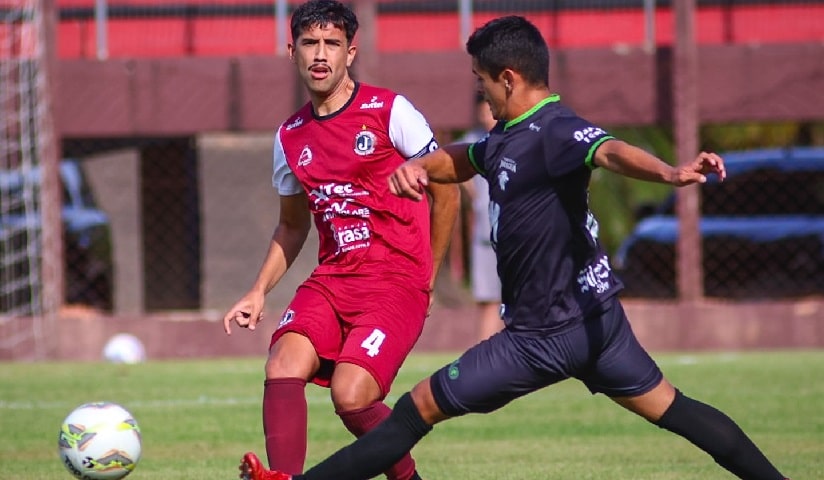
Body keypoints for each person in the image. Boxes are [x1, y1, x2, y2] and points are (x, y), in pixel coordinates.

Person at [237, 15, 789, 480]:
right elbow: (465, 158)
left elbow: (609, 150)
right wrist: (421, 166)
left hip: (539, 338)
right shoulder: (506, 135)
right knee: (676, 410)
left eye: (481, 82)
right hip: (600, 325)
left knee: (413, 410)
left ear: (508, 78)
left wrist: (670, 172)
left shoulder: (555, 131)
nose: (480, 93)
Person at [222, 1, 459, 480]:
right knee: (282, 363)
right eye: (309, 43)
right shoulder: (290, 137)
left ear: (350, 52)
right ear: (292, 51)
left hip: (396, 281)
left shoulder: (390, 111)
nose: (320, 54)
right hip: (333, 280)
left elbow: (448, 190)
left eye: (332, 44)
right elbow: (292, 226)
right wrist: (258, 290)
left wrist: (428, 275)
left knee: (351, 395)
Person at [458, 93, 503, 341]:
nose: (486, 115)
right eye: (482, 110)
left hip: (514, 234)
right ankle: (485, 350)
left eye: (490, 109)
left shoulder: (515, 138)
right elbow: (448, 162)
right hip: (485, 234)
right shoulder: (473, 141)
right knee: (489, 299)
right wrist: (473, 195)